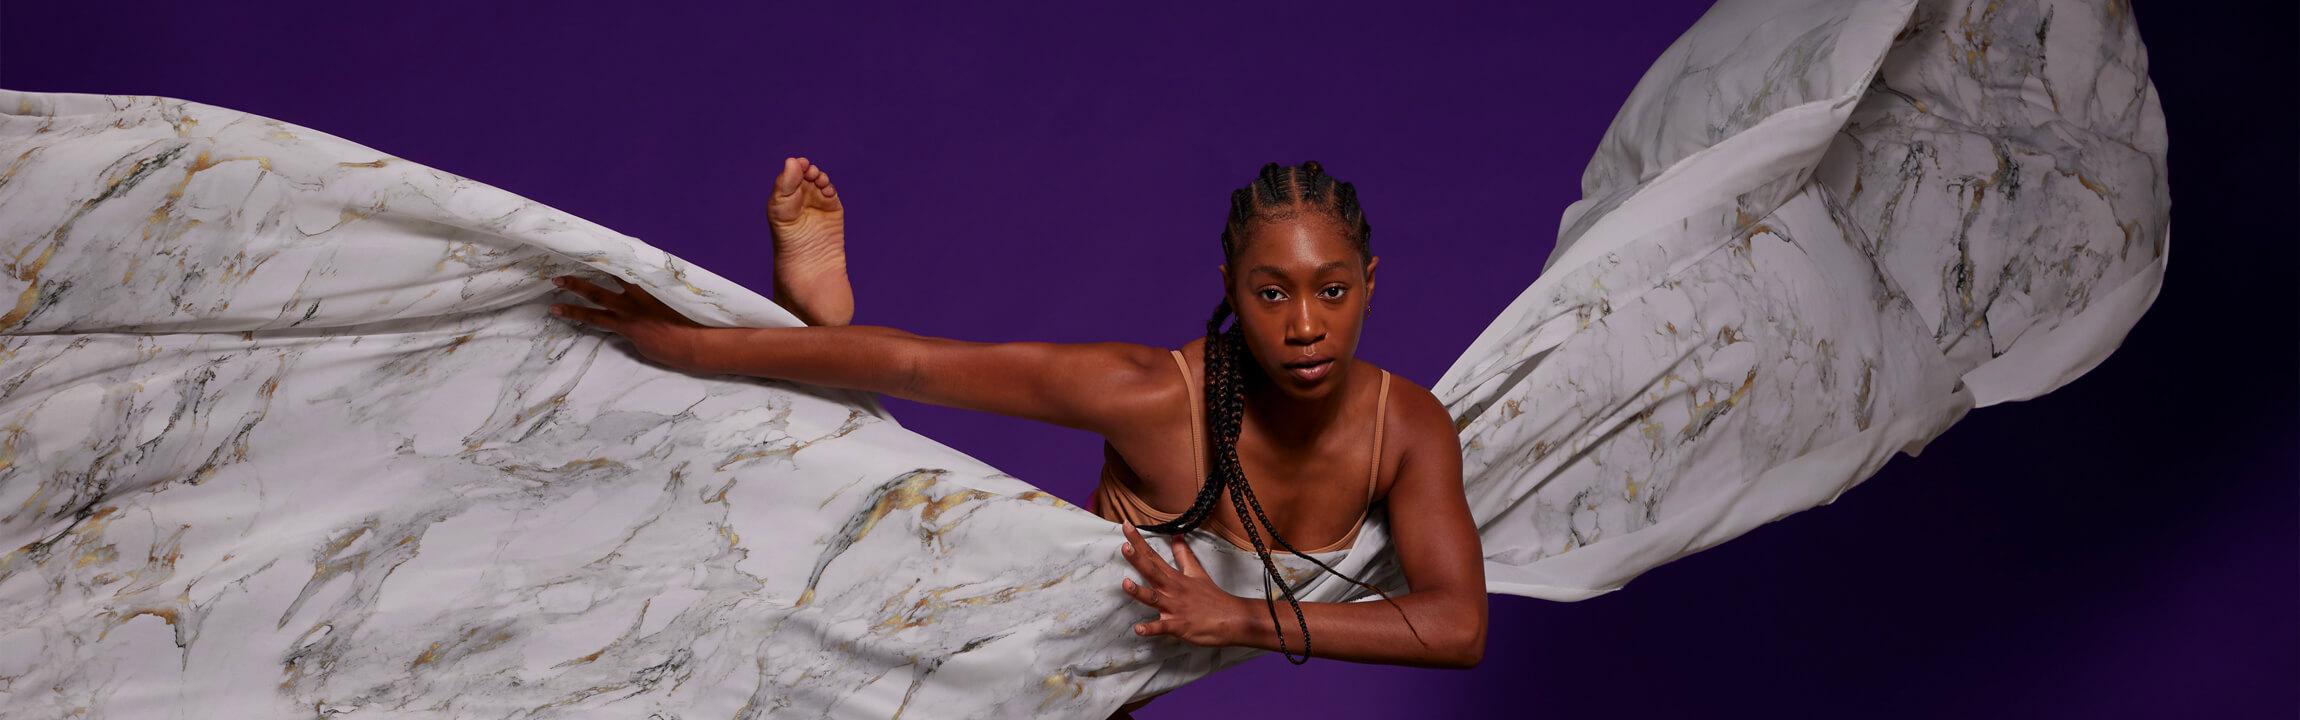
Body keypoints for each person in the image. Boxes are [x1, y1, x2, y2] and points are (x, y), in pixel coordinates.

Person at [548, 158, 1490, 715]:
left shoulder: (1403, 428)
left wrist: (1238, 617)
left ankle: (820, 329)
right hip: (980, 637)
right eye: (1270, 292)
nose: (1305, 326)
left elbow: (1458, 625)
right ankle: (818, 323)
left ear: (1370, 280)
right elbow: (920, 367)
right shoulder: (1154, 395)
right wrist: (685, 342)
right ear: (1230, 290)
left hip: (1091, 695)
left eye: (1333, 289)